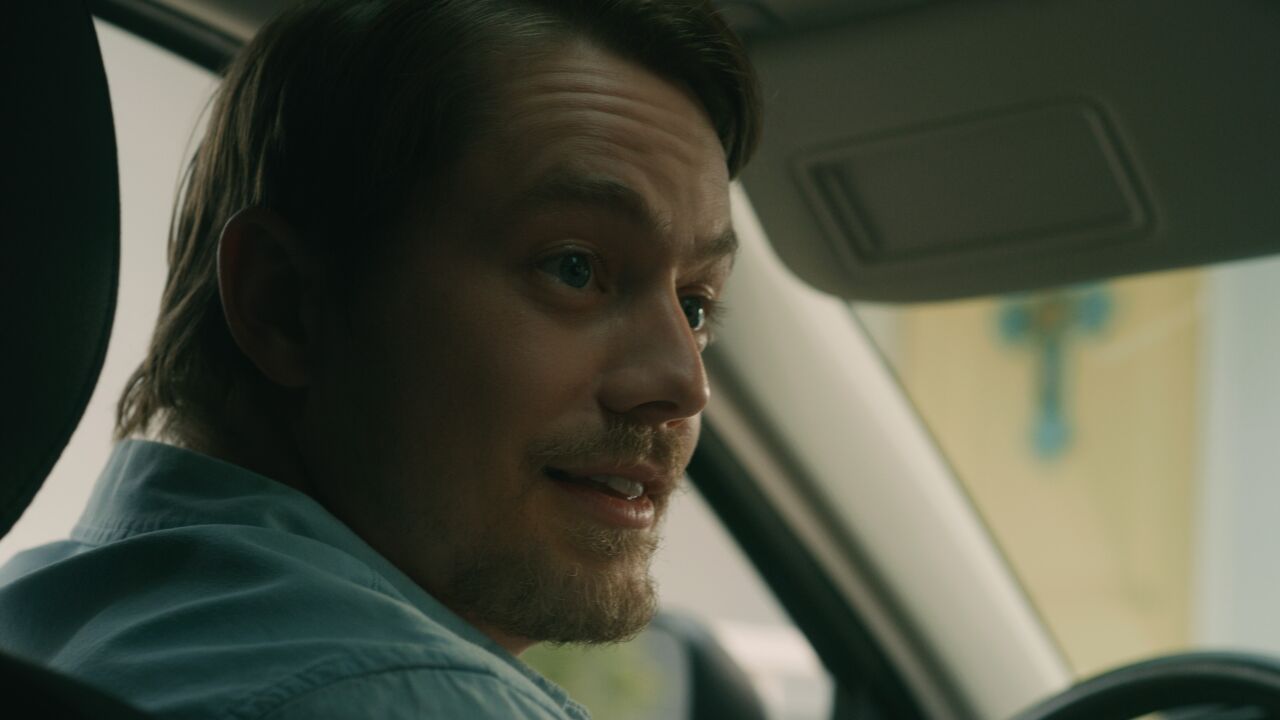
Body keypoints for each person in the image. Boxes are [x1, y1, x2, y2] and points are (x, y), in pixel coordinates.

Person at [0, 0, 761, 718]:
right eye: (573, 267)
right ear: (285, 304)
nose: (684, 385)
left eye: (695, 305)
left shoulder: (49, 618)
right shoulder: (401, 694)